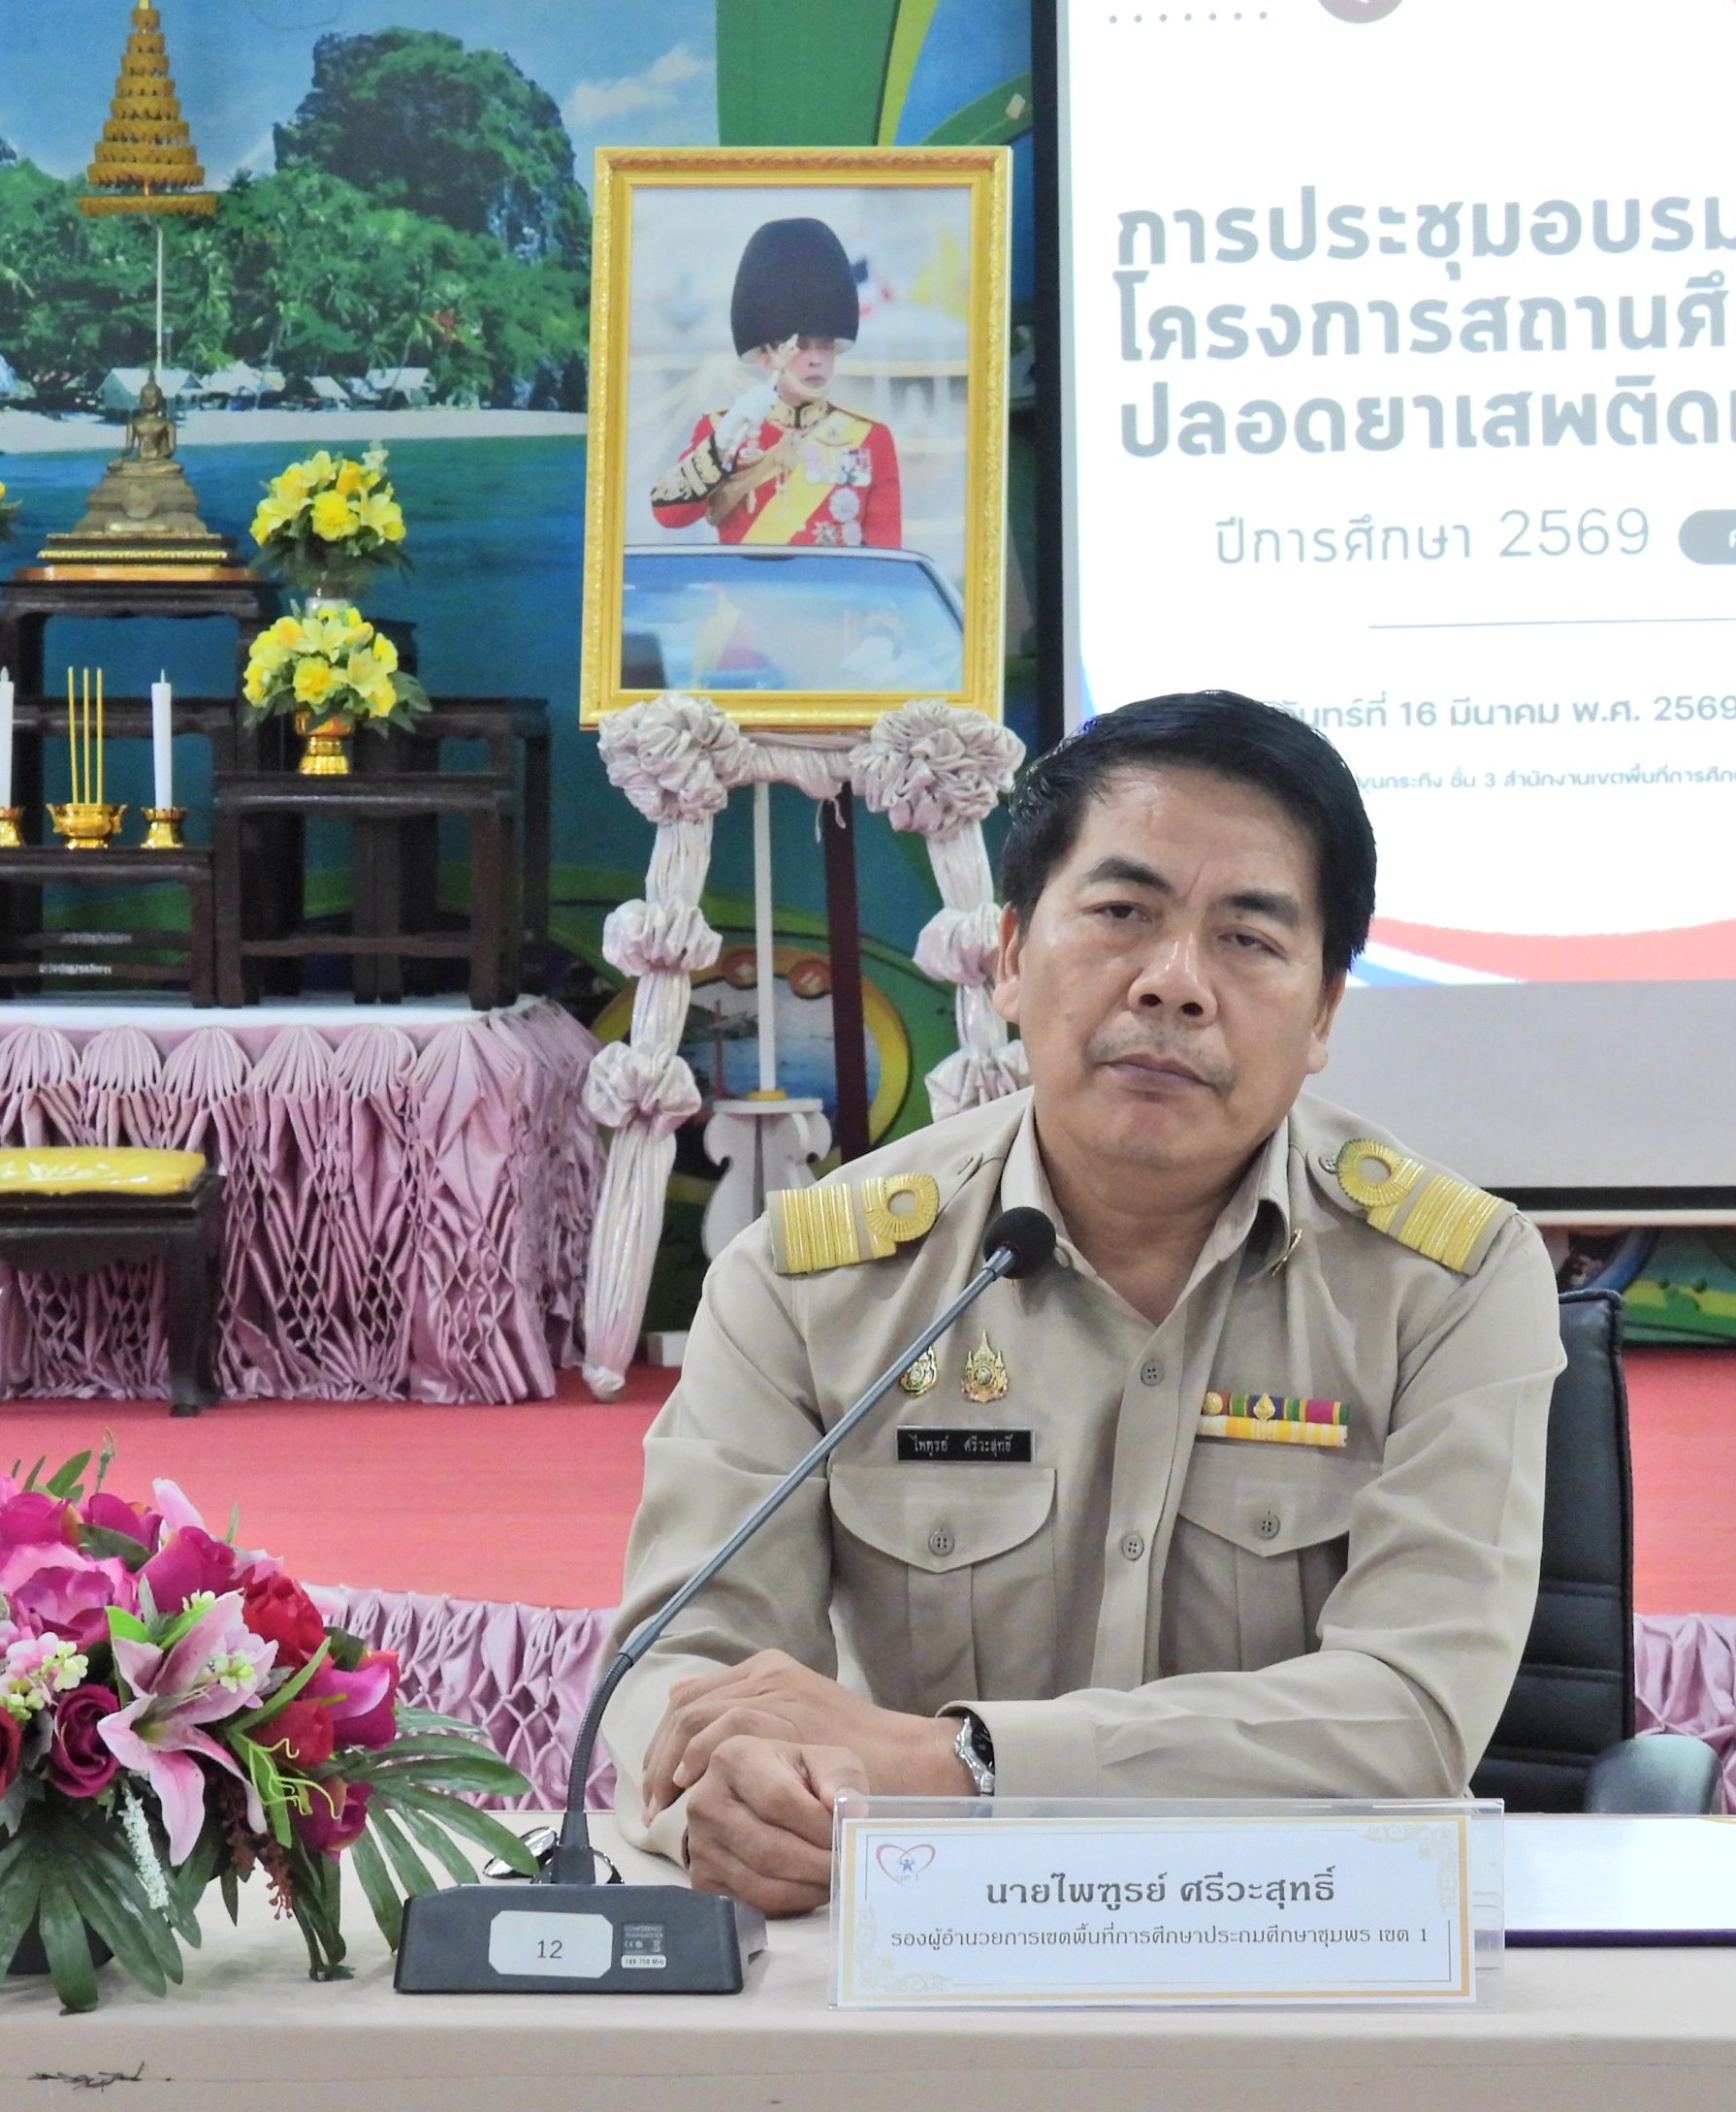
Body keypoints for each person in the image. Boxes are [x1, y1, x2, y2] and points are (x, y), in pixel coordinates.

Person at [603, 689, 1563, 1915]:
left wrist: (967, 1766)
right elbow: (679, 1662)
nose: (1174, 984)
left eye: (1249, 939)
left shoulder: (1452, 1280)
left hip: (1300, 1943)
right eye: (1122, 915)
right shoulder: (811, 1278)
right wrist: (732, 1789)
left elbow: (1410, 1714)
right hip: (921, 1938)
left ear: (1324, 1011)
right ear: (1010, 956)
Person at [648, 214, 903, 551]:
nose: (816, 359)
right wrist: (721, 445)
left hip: (833, 588)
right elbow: (668, 514)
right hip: (744, 587)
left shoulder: (870, 439)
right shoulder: (724, 431)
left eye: (825, 345)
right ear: (766, 357)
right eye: (800, 347)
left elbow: (885, 558)